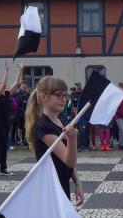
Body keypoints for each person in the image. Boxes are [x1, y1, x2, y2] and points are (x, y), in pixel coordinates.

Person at [24, 76, 84, 204]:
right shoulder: (44, 126)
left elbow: (70, 164)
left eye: (65, 95)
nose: (63, 99)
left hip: (62, 184)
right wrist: (73, 139)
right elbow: (69, 161)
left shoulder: (61, 119)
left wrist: (77, 182)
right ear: (43, 97)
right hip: (50, 189)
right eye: (58, 95)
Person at [0, 62, 23, 175]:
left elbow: (17, 83)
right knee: (3, 145)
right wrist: (7, 71)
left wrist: (20, 70)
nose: (1, 84)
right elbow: (4, 85)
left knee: (1, 143)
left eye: (1, 82)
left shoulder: (7, 93)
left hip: (6, 121)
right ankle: (3, 169)